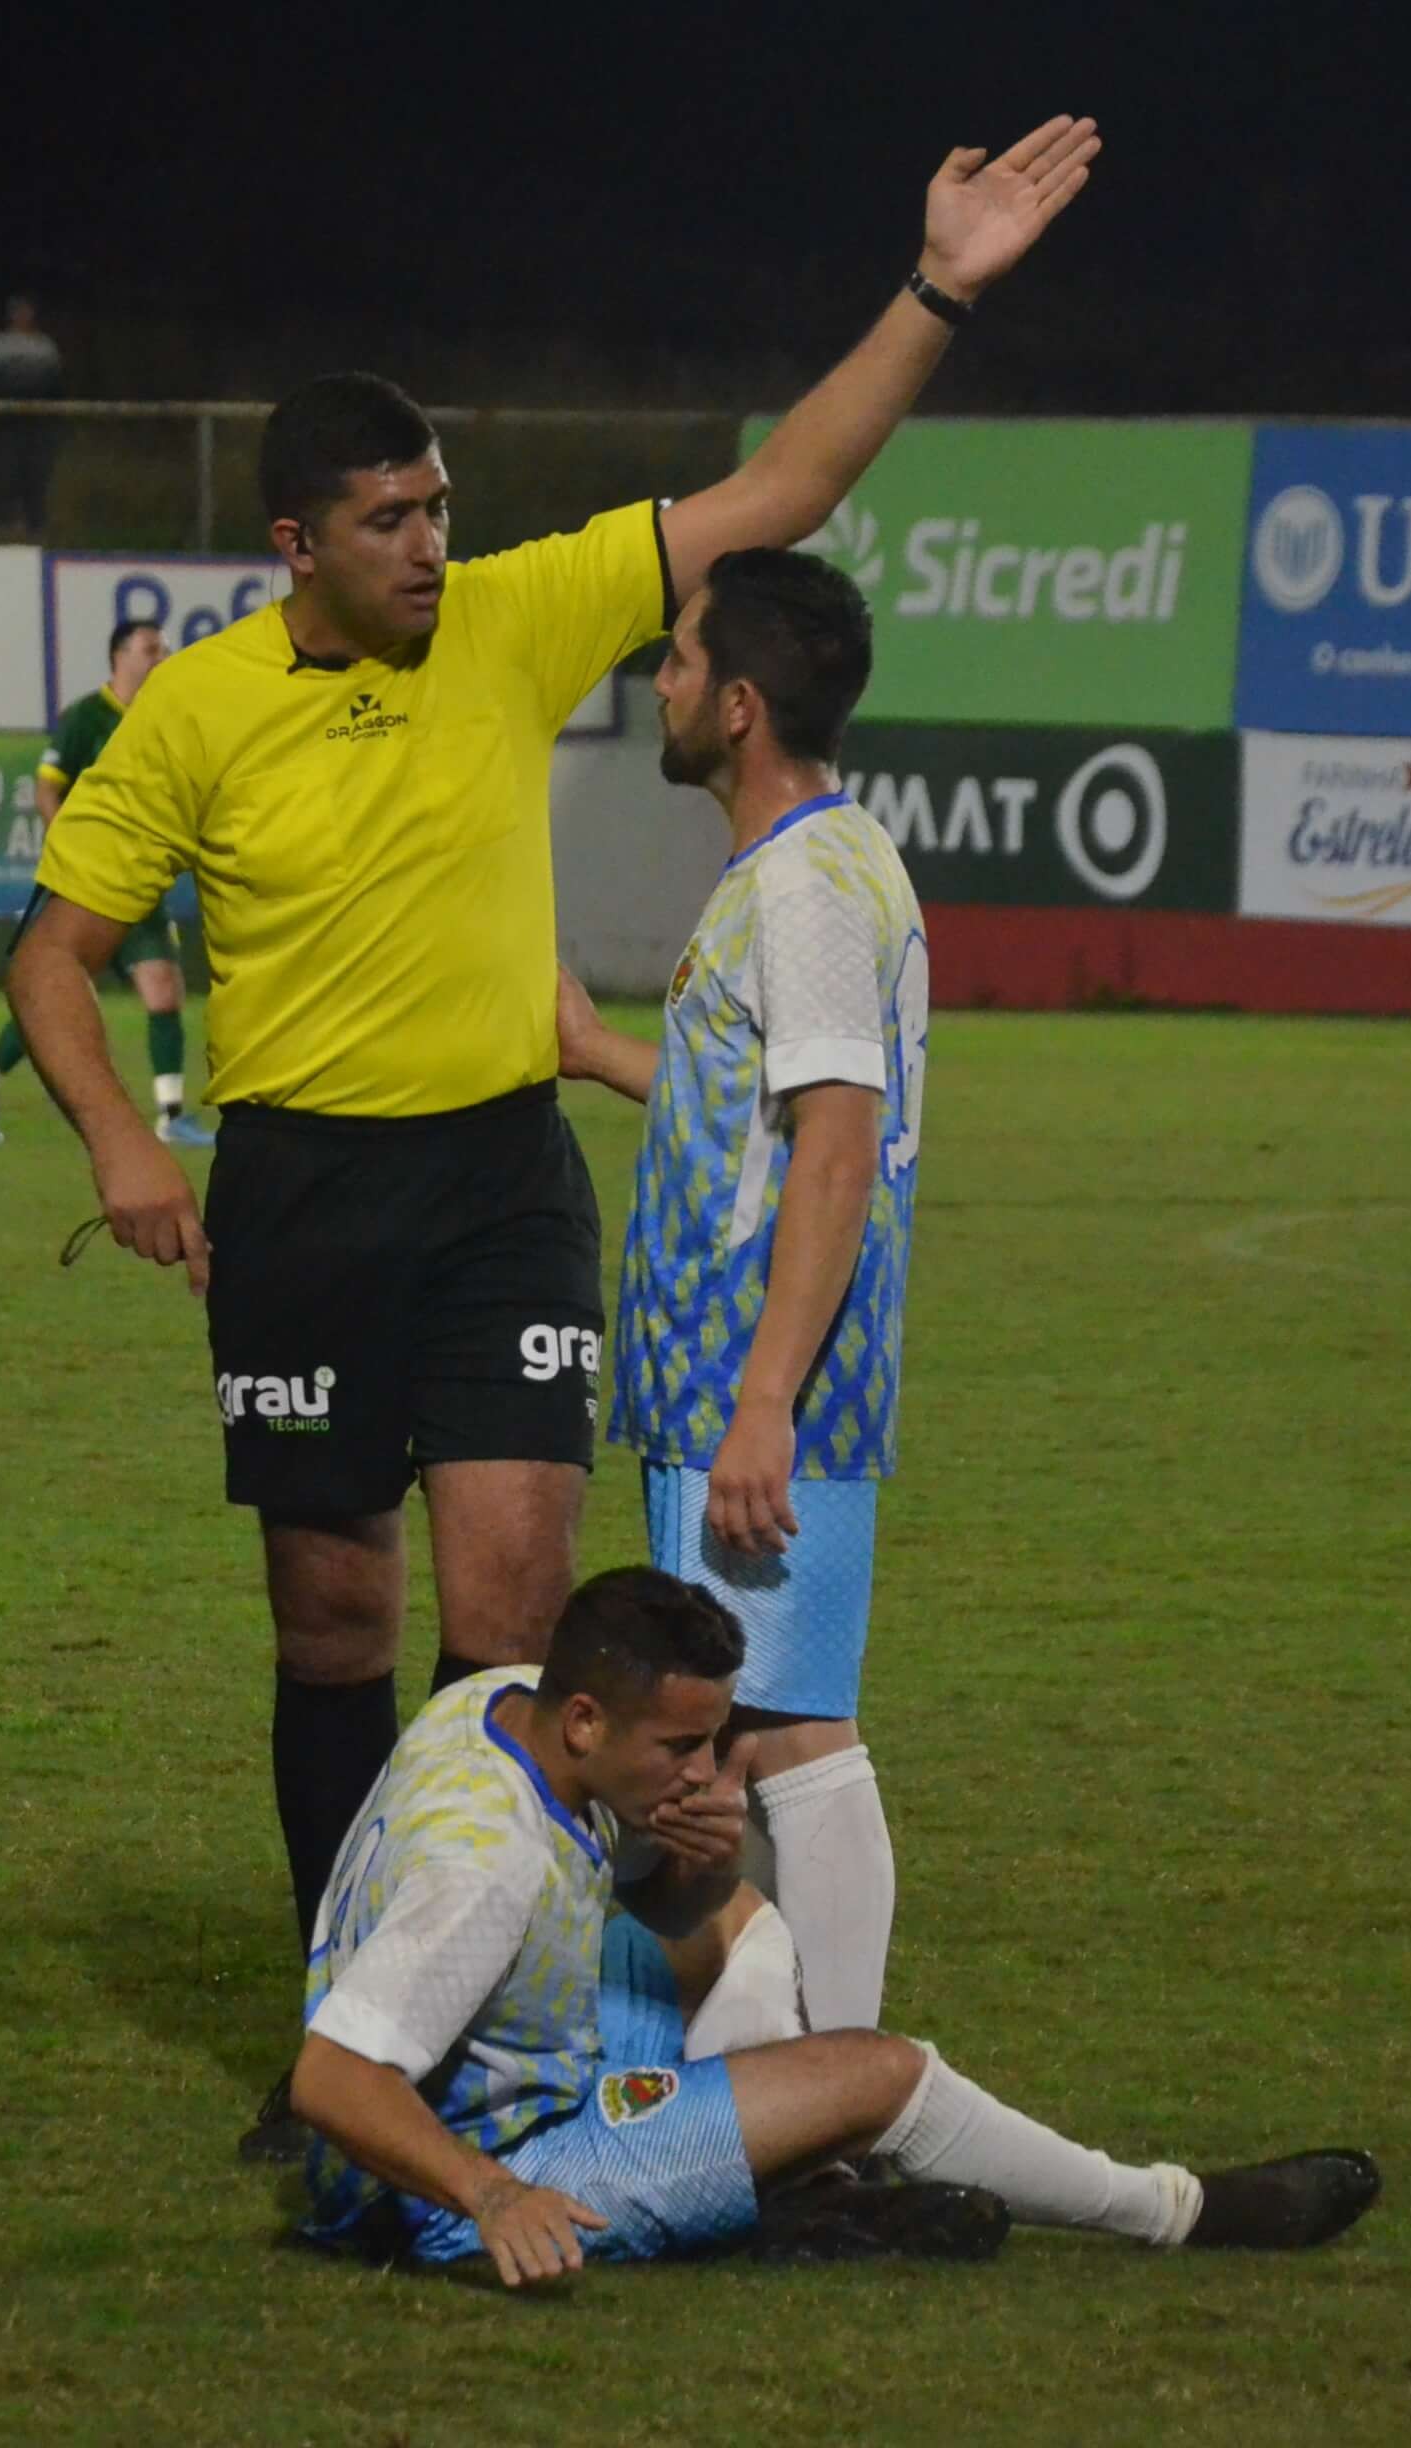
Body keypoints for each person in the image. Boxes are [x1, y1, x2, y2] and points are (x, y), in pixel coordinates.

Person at [9, 116, 1101, 2159]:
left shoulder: (513, 618)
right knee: (326, 1628)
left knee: (508, 1632)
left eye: (441, 506)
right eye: (391, 517)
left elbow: (792, 483)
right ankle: (352, 2015)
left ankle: (504, 2026)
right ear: (295, 546)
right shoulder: (190, 719)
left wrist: (941, 283)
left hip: (501, 1187)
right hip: (302, 1194)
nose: (435, 542)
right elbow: (55, 960)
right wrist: (119, 1150)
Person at [290, 1566, 1381, 2283]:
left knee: (741, 1921)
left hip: (508, 2072)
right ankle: (1175, 2211)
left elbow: (645, 1906)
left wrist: (696, 1867)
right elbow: (332, 2079)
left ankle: (772, 2187)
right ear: (585, 1719)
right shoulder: (486, 1869)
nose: (706, 1772)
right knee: (879, 2074)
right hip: (464, 2188)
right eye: (681, 1747)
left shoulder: (501, 1704)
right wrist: (491, 2195)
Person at [555, 551, 917, 2034]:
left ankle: (836, 2095)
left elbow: (835, 1144)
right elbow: (756, 1116)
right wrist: (605, 1056)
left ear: (746, 706)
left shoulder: (814, 885)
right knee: (733, 1733)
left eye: (684, 661)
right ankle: (771, 2073)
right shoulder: (800, 868)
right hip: (728, 1390)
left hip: (770, 1391)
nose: (664, 684)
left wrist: (766, 1398)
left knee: (784, 1739)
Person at [0, 617, 211, 1147]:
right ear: (120, 655)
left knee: (164, 990)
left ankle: (170, 1115)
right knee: (56, 999)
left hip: (141, 881)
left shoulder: (162, 715)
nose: (161, 657)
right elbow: (47, 790)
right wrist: (72, 846)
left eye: (165, 649)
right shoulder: (85, 717)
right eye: (150, 648)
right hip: (91, 883)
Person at [0, 295, 65, 537]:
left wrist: (55, 420)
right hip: (6, 421)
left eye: (27, 311)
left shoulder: (45, 346)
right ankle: (2, 526)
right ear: (11, 314)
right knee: (5, 473)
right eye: (18, 311)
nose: (23, 315)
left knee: (36, 474)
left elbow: (56, 387)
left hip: (39, 422)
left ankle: (35, 527)